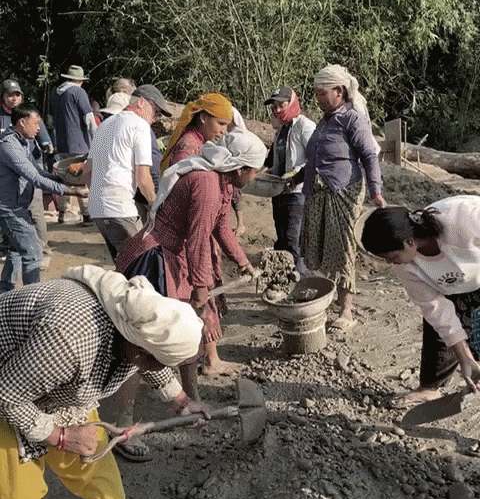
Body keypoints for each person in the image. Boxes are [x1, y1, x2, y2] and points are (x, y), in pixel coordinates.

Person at [0, 265, 207, 499]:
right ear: (141, 352)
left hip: (48, 375)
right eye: (159, 362)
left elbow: (151, 360)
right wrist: (60, 436)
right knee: (14, 489)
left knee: (93, 452)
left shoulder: (135, 324)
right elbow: (8, 394)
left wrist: (179, 400)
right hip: (8, 382)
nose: (158, 367)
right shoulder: (69, 340)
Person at [116, 130, 266, 383]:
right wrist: (200, 285)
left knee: (187, 321)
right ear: (240, 168)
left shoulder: (223, 182)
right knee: (157, 327)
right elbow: (198, 240)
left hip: (176, 252)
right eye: (254, 171)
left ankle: (189, 381)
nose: (254, 177)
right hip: (157, 256)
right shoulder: (207, 185)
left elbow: (221, 227)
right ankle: (148, 382)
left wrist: (243, 262)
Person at [360, 195, 480, 402]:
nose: (390, 263)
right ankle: (430, 388)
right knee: (439, 327)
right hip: (457, 283)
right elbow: (435, 308)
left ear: (409, 242)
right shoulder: (404, 266)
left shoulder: (465, 217)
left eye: (392, 256)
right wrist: (465, 359)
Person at [298, 64, 386, 331]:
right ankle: (324, 299)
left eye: (322, 92)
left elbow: (369, 155)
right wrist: (297, 178)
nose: (317, 97)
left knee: (341, 247)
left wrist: (376, 191)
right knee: (318, 247)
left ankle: (346, 310)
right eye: (315, 93)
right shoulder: (325, 121)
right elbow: (316, 158)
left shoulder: (352, 118)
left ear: (339, 91)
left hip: (342, 192)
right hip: (317, 192)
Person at [0, 104, 87, 292]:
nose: (39, 129)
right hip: (9, 208)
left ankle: (4, 292)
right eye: (36, 123)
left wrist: (60, 178)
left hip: (17, 206)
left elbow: (38, 171)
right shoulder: (9, 145)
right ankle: (33, 298)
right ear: (22, 122)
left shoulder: (22, 142)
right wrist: (70, 190)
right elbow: (35, 178)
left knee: (17, 250)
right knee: (33, 253)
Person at [86, 85, 171, 259]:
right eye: (155, 112)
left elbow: (88, 171)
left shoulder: (105, 125)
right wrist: (157, 207)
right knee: (143, 262)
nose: (155, 118)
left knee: (122, 263)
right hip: (120, 207)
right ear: (140, 102)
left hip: (97, 208)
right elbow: (143, 178)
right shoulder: (139, 125)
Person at [0, 79, 55, 267]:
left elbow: (43, 135)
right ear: (3, 98)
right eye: (10, 95)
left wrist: (47, 144)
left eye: (17, 95)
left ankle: (44, 250)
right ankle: (12, 249)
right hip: (7, 173)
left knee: (35, 210)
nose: (14, 98)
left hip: (31, 168)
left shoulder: (30, 114)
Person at [264, 86, 316, 275]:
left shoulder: (305, 126)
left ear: (292, 103)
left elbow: (316, 157)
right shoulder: (280, 131)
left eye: (281, 105)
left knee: (294, 240)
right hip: (279, 191)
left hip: (298, 193)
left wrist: (298, 175)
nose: (277, 110)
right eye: (274, 106)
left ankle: (303, 281)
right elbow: (275, 161)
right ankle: (285, 280)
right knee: (282, 239)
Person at [49, 64, 97, 224]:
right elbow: (89, 119)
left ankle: (63, 213)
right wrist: (96, 138)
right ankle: (87, 214)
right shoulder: (78, 92)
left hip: (61, 142)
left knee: (65, 178)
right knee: (82, 177)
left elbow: (50, 120)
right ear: (79, 80)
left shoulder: (55, 94)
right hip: (79, 143)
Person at [160, 92, 232, 170]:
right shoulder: (190, 146)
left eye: (226, 125)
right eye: (221, 124)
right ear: (203, 118)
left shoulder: (199, 142)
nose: (223, 131)